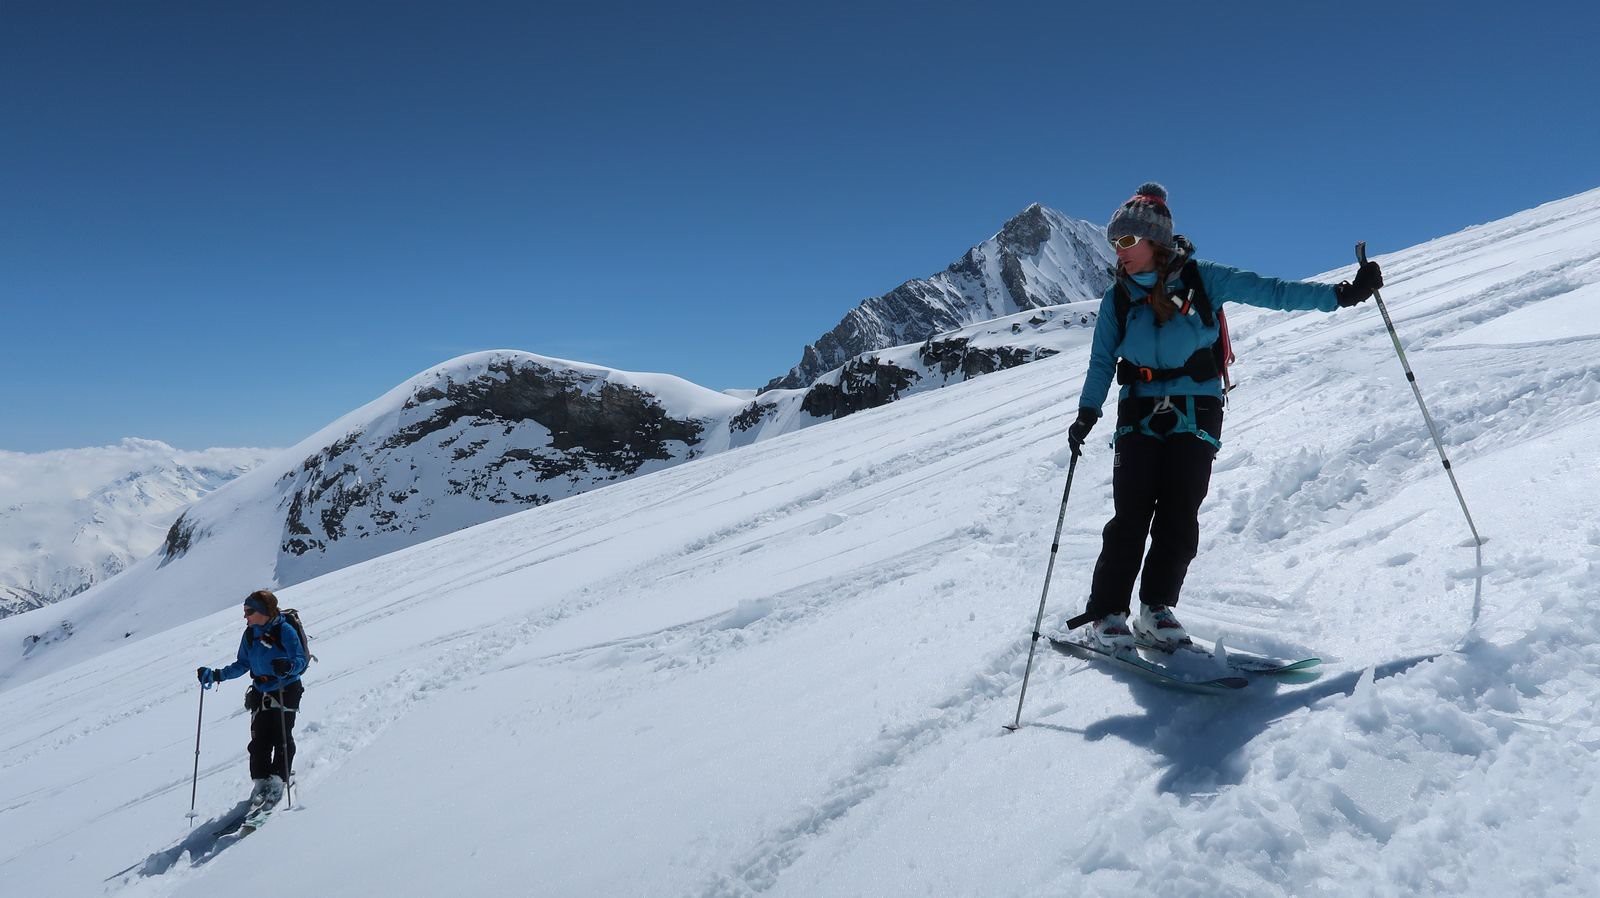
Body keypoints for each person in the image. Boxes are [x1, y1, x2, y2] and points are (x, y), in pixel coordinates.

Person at [1067, 182, 1382, 655]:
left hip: (1196, 412)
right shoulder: (1117, 299)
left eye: (1128, 241)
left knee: (1178, 515)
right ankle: (1107, 613)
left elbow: (1273, 291)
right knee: (1129, 517)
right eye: (1115, 243)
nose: (1119, 252)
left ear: (1155, 240)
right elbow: (1100, 362)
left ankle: (1156, 609)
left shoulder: (1202, 278)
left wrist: (1340, 295)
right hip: (1137, 414)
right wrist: (1087, 412)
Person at [196, 589, 308, 812]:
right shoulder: (250, 634)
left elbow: (300, 660)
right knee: (259, 741)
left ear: (264, 611)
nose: (245, 616)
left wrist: (288, 666)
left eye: (249, 611)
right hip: (260, 690)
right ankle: (261, 781)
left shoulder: (284, 630)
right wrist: (217, 675)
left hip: (285, 688)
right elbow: (242, 664)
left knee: (281, 736)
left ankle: (278, 780)